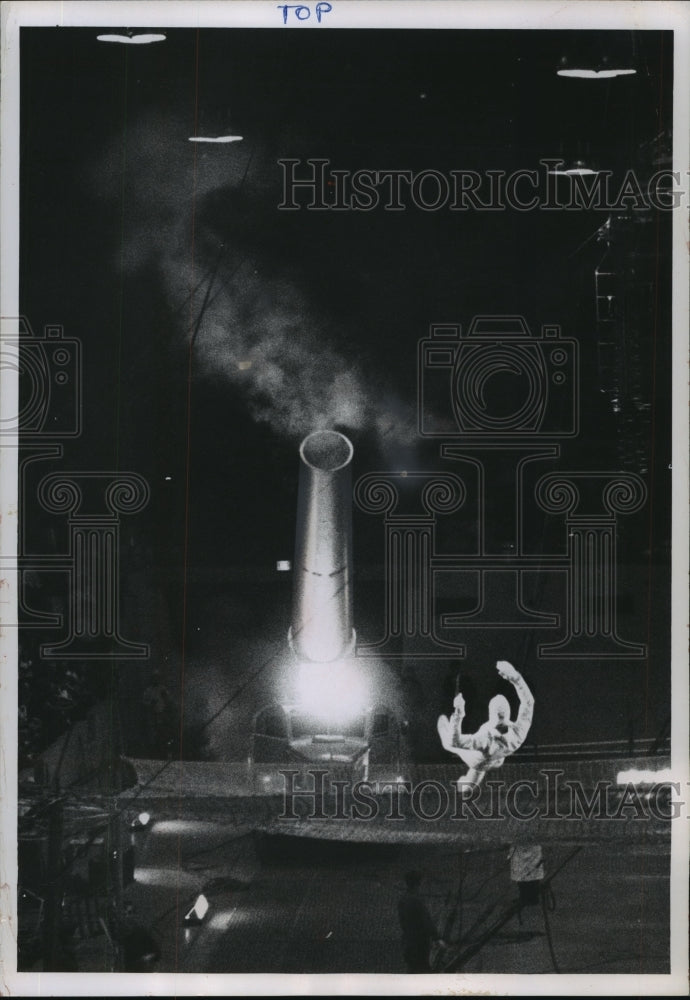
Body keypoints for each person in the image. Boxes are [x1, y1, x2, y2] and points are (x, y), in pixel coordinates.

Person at [437, 660, 534, 797]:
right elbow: (528, 703)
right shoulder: (518, 733)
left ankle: (465, 788)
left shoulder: (485, 740)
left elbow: (455, 742)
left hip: (478, 759)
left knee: (449, 745)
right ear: (508, 713)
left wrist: (459, 714)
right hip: (497, 761)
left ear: (490, 713)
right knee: (475, 775)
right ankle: (466, 789)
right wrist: (515, 677)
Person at [397, 870, 444, 973]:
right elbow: (426, 921)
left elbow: (403, 922)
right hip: (420, 942)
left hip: (408, 940)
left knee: (413, 968)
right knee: (422, 968)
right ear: (419, 884)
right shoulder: (417, 901)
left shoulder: (403, 900)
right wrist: (437, 938)